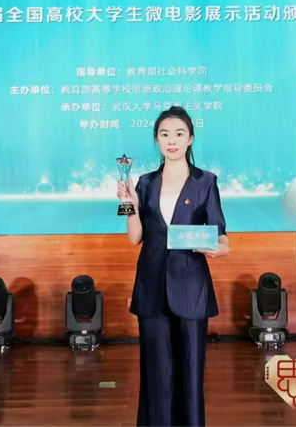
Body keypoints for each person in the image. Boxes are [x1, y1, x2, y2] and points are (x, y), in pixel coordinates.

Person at [117, 106, 229, 427]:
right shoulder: (145, 183)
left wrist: (216, 248)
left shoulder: (205, 181)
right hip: (151, 286)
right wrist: (129, 205)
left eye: (179, 134)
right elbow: (135, 237)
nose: (172, 140)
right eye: (164, 134)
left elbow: (222, 238)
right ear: (157, 140)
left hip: (191, 286)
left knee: (190, 372)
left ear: (190, 138)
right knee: (156, 372)